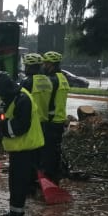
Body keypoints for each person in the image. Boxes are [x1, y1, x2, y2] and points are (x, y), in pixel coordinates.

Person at [0, 71, 43, 216]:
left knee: (19, 183)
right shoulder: (14, 96)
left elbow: (20, 127)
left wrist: (1, 126)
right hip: (18, 148)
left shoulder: (23, 99)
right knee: (14, 182)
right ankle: (13, 212)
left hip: (26, 148)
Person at [30, 51, 70, 182]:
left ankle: (46, 179)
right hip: (59, 119)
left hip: (51, 120)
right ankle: (54, 177)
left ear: (51, 64)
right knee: (54, 152)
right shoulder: (63, 78)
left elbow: (47, 101)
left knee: (47, 153)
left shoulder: (52, 80)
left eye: (46, 63)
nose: (44, 66)